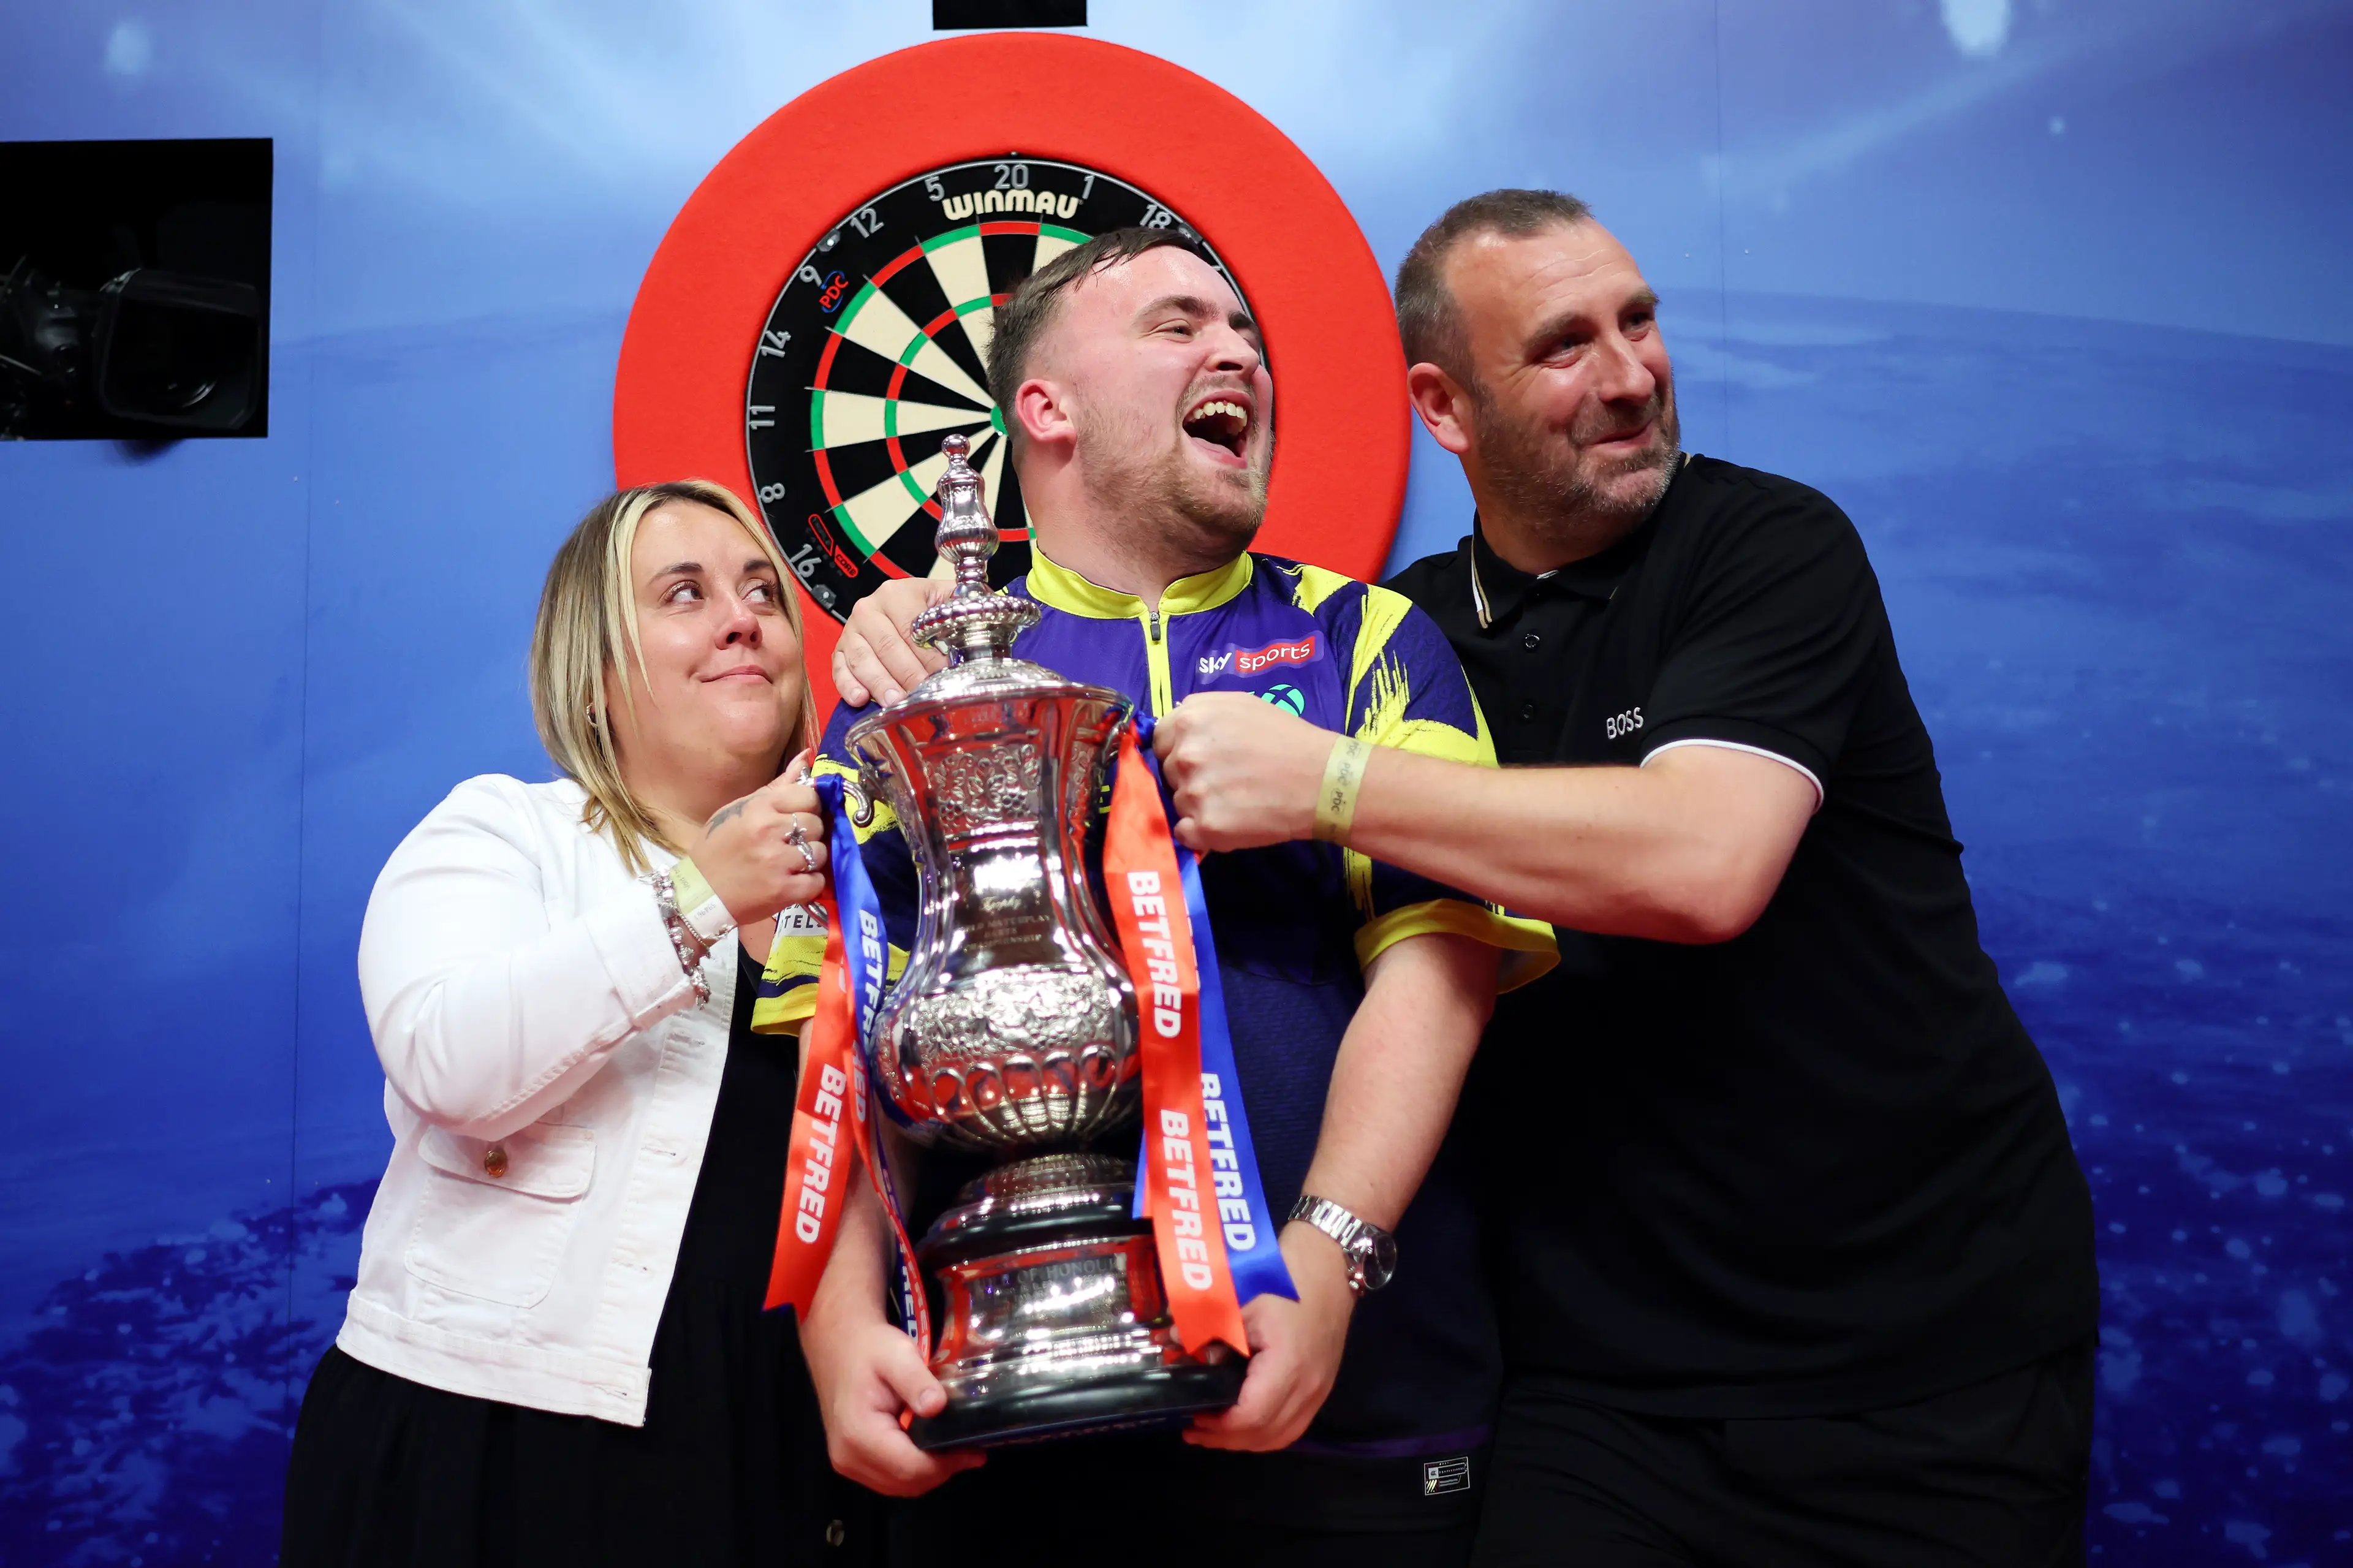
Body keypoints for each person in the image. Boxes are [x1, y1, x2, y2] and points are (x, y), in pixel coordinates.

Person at [834, 190, 2099, 1565]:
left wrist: (1323, 786)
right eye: (1565, 344)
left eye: (1640, 322)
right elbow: (842, 1023)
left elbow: (1702, 864)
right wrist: (926, 623)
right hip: (1595, 1384)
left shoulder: (1742, 554)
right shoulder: (1412, 618)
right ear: (1446, 409)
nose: (1629, 374)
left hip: (1917, 1347)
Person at [778, 227, 1556, 1568]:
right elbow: (837, 1037)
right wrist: (841, 1327)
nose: (1237, 349)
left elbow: (1441, 967)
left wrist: (1330, 1259)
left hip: (1352, 1410)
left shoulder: (1365, 638)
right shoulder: (909, 694)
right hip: (1001, 1433)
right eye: (1177, 323)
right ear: (1045, 406)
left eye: (1247, 329)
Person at [282, 479, 880, 1566]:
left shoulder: (869, 887)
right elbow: (446, 1063)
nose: (743, 615)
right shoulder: (505, 832)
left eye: (762, 590)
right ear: (596, 672)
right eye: (684, 593)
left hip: (785, 1441)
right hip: (501, 1438)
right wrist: (703, 894)